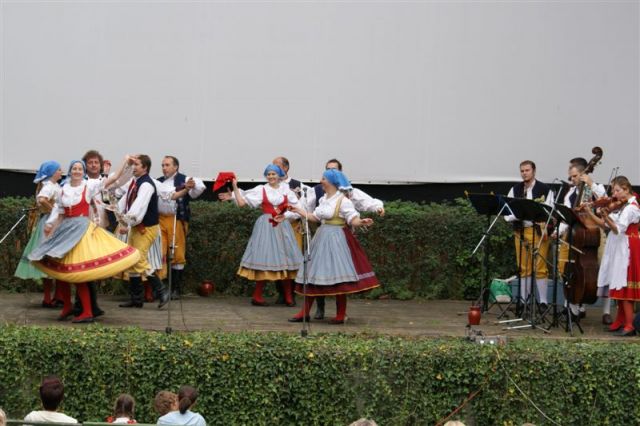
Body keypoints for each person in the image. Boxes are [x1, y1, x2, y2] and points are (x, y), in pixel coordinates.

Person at [28, 158, 141, 323]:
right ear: (70, 171)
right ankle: (67, 306)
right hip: (65, 230)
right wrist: (51, 227)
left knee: (78, 273)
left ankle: (87, 311)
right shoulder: (63, 189)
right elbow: (59, 212)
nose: (77, 171)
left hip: (81, 230)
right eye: (74, 168)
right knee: (61, 271)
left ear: (84, 172)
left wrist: (125, 161)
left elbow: (114, 178)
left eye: (80, 169)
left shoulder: (89, 187)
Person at [288, 169, 380, 324]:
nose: (321, 181)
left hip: (337, 240)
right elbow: (315, 217)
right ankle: (305, 312)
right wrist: (298, 210)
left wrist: (361, 222)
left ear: (330, 181)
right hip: (321, 238)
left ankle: (340, 314)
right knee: (313, 274)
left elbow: (353, 218)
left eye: (323, 178)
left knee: (340, 276)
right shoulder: (324, 199)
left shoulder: (343, 201)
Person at [228, 164, 303, 306]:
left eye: (273, 174)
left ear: (280, 175)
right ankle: (257, 296)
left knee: (286, 259)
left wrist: (285, 215)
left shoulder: (287, 191)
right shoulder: (261, 189)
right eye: (268, 174)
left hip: (282, 226)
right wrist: (235, 187)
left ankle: (288, 296)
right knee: (264, 257)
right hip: (266, 226)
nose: (271, 176)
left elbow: (298, 208)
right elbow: (242, 203)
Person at [117, 155, 181, 309]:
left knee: (139, 259)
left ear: (145, 167)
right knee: (132, 260)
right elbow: (125, 200)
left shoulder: (146, 185)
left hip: (146, 228)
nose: (134, 167)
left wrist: (127, 221)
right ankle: (136, 299)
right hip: (137, 227)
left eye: (137, 165)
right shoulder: (136, 182)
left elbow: (139, 206)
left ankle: (161, 290)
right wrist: (121, 215)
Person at [553, 161, 609, 323]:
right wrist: (560, 231)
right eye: (571, 177)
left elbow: (605, 199)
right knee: (567, 268)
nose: (572, 180)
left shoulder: (594, 187)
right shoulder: (570, 193)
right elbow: (567, 216)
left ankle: (606, 311)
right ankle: (574, 307)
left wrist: (591, 184)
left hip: (593, 233)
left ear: (585, 174)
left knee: (602, 270)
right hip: (573, 234)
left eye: (575, 176)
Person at [587, 176, 640, 336]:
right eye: (613, 190)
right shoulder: (624, 206)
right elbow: (605, 224)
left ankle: (629, 325)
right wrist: (590, 212)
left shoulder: (631, 208)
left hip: (627, 247)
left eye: (617, 190)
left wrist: (606, 216)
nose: (614, 194)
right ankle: (621, 321)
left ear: (626, 188)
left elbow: (618, 228)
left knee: (623, 286)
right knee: (617, 284)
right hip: (619, 246)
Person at [504, 160, 554, 311]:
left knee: (540, 266)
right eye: (522, 171)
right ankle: (524, 301)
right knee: (524, 267)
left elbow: (550, 210)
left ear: (534, 171)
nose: (524, 173)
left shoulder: (545, 189)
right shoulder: (515, 190)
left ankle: (543, 301)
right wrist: (516, 216)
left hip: (538, 231)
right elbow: (507, 212)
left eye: (527, 170)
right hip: (520, 231)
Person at [14, 161, 63, 308]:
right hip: (51, 224)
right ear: (52, 172)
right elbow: (42, 199)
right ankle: (50, 298)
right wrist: (55, 211)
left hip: (50, 222)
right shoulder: (48, 186)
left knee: (54, 259)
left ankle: (54, 297)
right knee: (51, 258)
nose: (61, 171)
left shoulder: (53, 185)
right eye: (59, 169)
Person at [157, 156, 206, 299]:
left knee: (177, 254)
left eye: (167, 165)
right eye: (163, 165)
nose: (164, 168)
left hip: (176, 220)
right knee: (159, 253)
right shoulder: (159, 181)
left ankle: (175, 289)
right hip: (159, 220)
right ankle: (160, 289)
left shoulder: (184, 180)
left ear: (175, 167)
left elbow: (199, 188)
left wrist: (190, 184)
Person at [272, 156, 308, 306]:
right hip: (276, 228)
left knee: (292, 260)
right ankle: (281, 293)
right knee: (277, 259)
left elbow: (305, 207)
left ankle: (291, 294)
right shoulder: (270, 184)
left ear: (285, 168)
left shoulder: (298, 186)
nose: (272, 169)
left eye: (276, 166)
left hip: (293, 227)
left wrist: (288, 216)